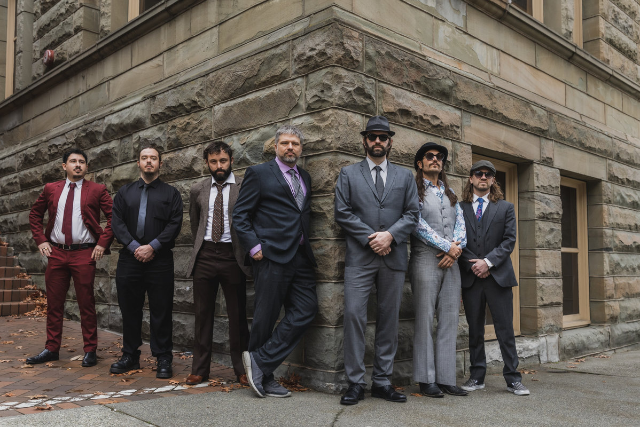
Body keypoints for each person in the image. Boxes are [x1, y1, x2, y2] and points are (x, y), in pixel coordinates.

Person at [334, 115, 419, 405]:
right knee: (354, 316)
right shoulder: (348, 174)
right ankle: (355, 383)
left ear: (390, 142)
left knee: (389, 320)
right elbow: (342, 212)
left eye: (383, 137)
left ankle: (382, 381)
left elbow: (412, 214)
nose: (378, 141)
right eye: (373, 137)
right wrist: (373, 238)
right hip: (360, 257)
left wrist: (390, 236)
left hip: (394, 258)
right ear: (365, 141)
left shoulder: (405, 177)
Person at [233, 125, 317, 398]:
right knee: (266, 317)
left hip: (300, 256)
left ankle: (260, 361)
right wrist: (254, 246)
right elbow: (240, 215)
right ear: (276, 146)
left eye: (295, 143)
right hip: (270, 255)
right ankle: (264, 378)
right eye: (285, 143)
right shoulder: (259, 173)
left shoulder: (304, 176)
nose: (290, 147)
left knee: (306, 309)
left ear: (301, 148)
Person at [27, 148, 114, 367]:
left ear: (86, 167)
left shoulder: (97, 189)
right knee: (54, 303)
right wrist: (41, 240)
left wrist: (102, 243)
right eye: (73, 161)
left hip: (84, 253)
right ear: (64, 166)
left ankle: (90, 350)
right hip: (56, 253)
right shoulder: (51, 189)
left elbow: (114, 217)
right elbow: (35, 214)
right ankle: (51, 348)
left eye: (82, 162)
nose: (78, 165)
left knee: (86, 303)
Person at [110, 144, 183, 379]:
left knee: (161, 310)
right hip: (129, 260)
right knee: (129, 309)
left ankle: (163, 357)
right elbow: (117, 223)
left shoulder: (171, 194)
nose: (149, 161)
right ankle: (130, 355)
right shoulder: (124, 193)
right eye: (144, 158)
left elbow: (175, 224)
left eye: (153, 158)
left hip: (160, 260)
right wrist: (135, 247)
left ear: (160, 163)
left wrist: (152, 247)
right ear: (138, 163)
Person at [458, 160, 530, 396]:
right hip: (471, 277)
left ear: (493, 180)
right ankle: (477, 376)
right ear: (471, 178)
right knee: (475, 330)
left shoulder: (506, 208)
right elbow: (457, 241)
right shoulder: (459, 208)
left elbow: (509, 240)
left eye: (488, 174)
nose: (483, 177)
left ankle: (513, 379)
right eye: (479, 173)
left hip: (499, 277)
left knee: (505, 329)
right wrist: (474, 265)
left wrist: (487, 262)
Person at [186, 142, 251, 386]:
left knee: (238, 315)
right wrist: (201, 248)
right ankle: (199, 369)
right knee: (202, 314)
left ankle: (241, 369)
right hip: (205, 255)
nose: (219, 166)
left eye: (223, 161)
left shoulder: (244, 186)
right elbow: (195, 223)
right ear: (207, 163)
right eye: (213, 162)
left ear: (231, 161)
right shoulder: (198, 189)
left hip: (232, 255)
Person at [410, 142, 468, 398]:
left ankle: (446, 378)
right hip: (425, 259)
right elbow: (416, 223)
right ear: (420, 163)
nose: (435, 159)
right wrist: (447, 247)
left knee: (450, 318)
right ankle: (426, 379)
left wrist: (456, 249)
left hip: (452, 262)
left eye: (439, 157)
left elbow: (461, 225)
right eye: (429, 156)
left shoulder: (450, 192)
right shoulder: (414, 190)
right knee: (424, 318)